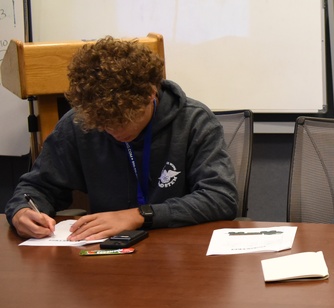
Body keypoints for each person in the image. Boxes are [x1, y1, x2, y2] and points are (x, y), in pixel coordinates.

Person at [5, 36, 237, 240]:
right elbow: (38, 186)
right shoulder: (79, 123)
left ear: (150, 94)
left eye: (123, 120)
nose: (113, 131)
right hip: (106, 255)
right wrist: (22, 212)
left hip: (179, 251)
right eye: (103, 124)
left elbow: (220, 198)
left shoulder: (194, 121)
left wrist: (139, 215)